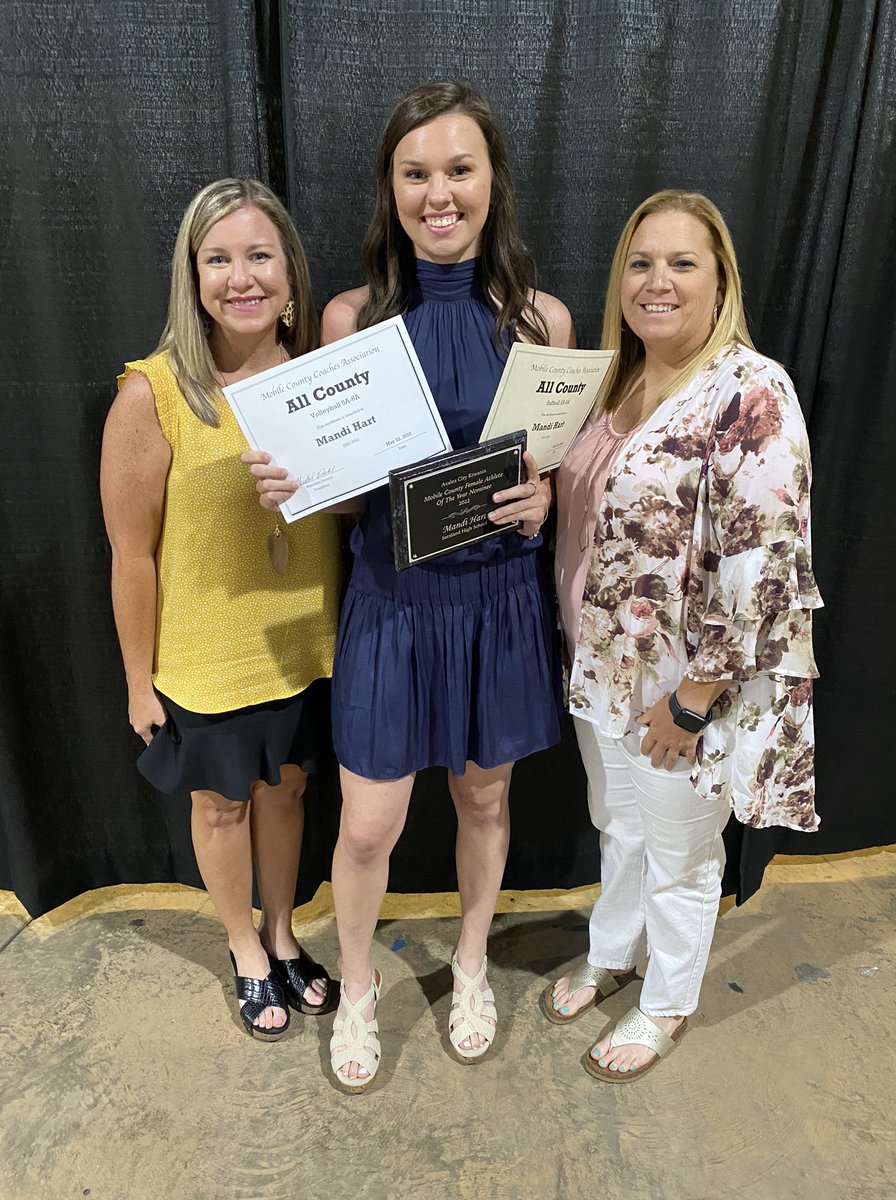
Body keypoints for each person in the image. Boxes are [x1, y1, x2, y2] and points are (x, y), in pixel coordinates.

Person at [244, 81, 575, 1089]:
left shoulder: (542, 317)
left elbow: (547, 466)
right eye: (416, 173)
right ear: (391, 190)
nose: (440, 192)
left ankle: (471, 964)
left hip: (499, 604)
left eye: (459, 169)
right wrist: (296, 488)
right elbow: (345, 501)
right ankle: (358, 986)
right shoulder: (350, 318)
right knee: (371, 824)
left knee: (485, 804)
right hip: (393, 607)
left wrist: (546, 499)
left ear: (491, 182)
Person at [548, 189, 822, 1081]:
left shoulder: (752, 391)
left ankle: (666, 1001)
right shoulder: (615, 379)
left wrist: (695, 705)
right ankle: (612, 951)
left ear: (720, 280)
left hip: (682, 687)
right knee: (616, 823)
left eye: (681, 263)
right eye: (640, 261)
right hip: (603, 668)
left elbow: (766, 570)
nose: (656, 281)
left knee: (679, 853)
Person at [100, 178, 342, 1041]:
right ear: (191, 275)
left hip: (306, 643)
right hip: (205, 659)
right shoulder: (153, 393)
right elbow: (131, 554)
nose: (241, 278)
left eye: (259, 256)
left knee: (287, 795)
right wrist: (139, 681)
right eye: (218, 259)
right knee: (221, 808)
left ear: (289, 270)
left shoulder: (328, 379)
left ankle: (282, 933)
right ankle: (243, 947)